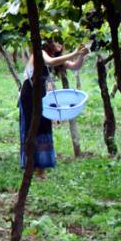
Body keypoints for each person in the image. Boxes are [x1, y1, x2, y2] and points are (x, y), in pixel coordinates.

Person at [19, 39, 88, 175]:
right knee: (31, 128)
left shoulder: (55, 58)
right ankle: (30, 166)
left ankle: (41, 169)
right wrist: (74, 52)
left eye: (61, 43)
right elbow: (50, 62)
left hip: (41, 94)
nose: (60, 45)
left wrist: (82, 55)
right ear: (49, 43)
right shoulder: (40, 53)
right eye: (56, 42)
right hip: (29, 94)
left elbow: (74, 66)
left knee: (43, 127)